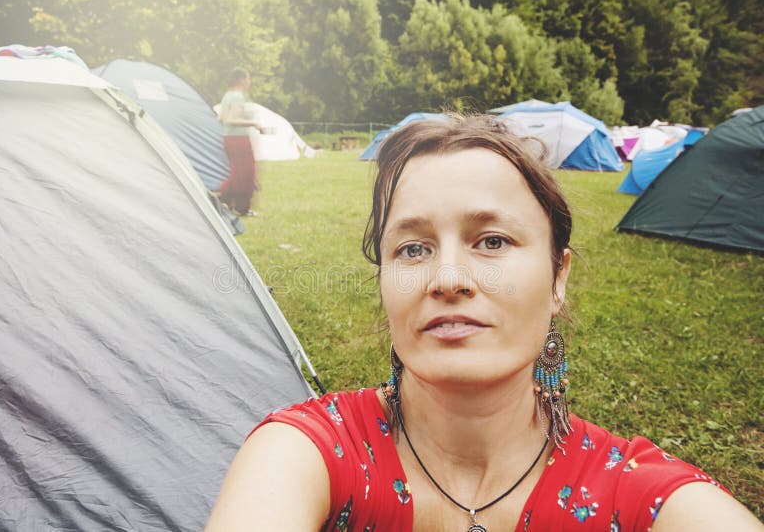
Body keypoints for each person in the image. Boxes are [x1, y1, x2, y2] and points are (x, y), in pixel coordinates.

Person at [205, 114, 763, 531]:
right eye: (413, 248)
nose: (447, 278)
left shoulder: (638, 495)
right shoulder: (307, 451)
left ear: (558, 276)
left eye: (492, 241)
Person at [218, 68, 265, 216]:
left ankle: (225, 201)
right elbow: (231, 119)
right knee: (247, 173)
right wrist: (254, 123)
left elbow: (220, 118)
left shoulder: (227, 96)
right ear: (241, 80)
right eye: (248, 79)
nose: (249, 82)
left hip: (228, 138)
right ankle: (240, 207)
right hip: (239, 139)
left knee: (238, 173)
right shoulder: (237, 96)